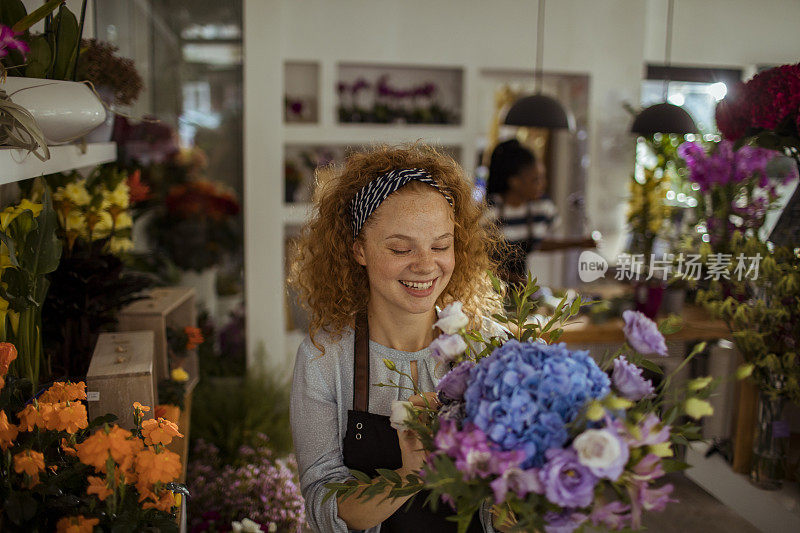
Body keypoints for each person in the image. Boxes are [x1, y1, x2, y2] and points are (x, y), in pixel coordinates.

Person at [289, 144, 504, 532]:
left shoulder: (489, 348)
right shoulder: (324, 360)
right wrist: (409, 475)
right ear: (359, 250)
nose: (425, 264)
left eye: (441, 245)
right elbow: (323, 505)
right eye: (400, 248)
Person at [486, 138, 595, 284]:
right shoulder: (490, 211)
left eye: (543, 178)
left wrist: (579, 243)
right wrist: (512, 278)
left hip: (519, 289)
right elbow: (476, 260)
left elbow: (537, 243)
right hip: (489, 288)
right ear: (514, 182)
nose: (542, 185)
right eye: (536, 180)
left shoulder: (541, 208)